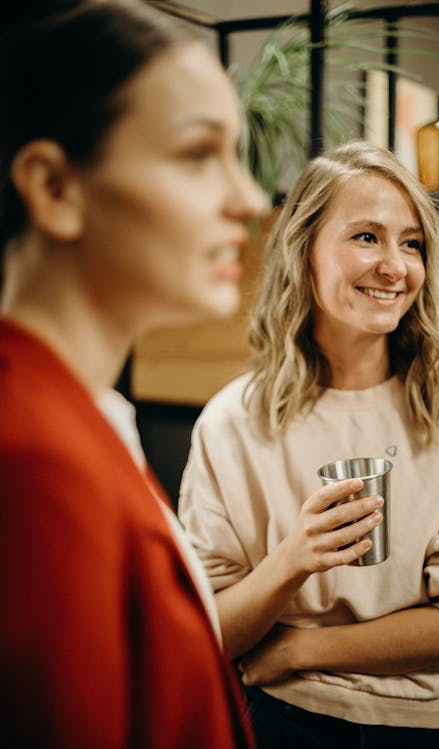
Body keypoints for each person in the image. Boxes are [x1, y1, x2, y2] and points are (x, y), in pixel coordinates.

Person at [0, 1, 271, 746]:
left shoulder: (80, 413)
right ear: (55, 188)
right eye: (195, 154)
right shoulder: (32, 459)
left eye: (238, 154)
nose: (247, 199)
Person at [179, 140, 439, 749]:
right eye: (366, 237)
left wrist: (304, 647)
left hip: (434, 729)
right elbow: (208, 633)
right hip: (283, 721)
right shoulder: (231, 422)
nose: (395, 266)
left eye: (411, 243)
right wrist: (293, 558)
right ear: (304, 254)